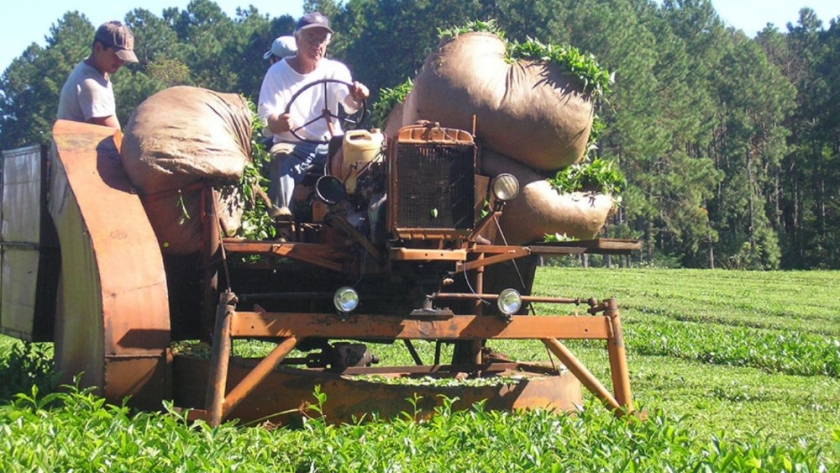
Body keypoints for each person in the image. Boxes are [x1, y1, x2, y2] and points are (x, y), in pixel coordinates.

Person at [258, 12, 370, 218]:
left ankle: (358, 220)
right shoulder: (277, 73)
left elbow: (350, 105)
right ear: (297, 39)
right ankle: (282, 217)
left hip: (330, 146)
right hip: (292, 145)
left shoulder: (336, 70)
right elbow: (267, 117)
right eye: (311, 38)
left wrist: (357, 96)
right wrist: (279, 122)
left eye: (321, 40)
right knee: (279, 157)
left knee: (366, 161)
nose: (316, 45)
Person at [56, 21, 138, 129]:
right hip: (81, 146)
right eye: (116, 56)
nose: (121, 62)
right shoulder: (90, 84)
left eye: (124, 58)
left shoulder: (90, 71)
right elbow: (113, 135)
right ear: (98, 48)